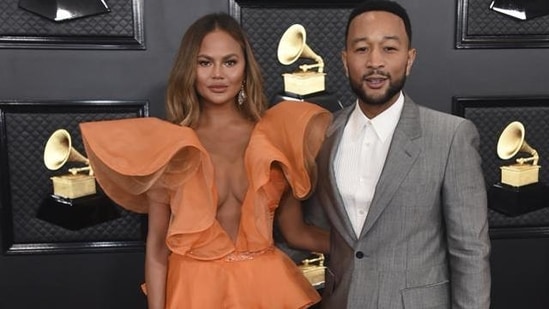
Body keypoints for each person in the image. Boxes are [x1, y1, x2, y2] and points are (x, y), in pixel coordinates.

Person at [79, 13, 331, 309]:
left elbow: (296, 233)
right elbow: (158, 250)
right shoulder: (171, 145)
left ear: (245, 69)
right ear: (190, 69)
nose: (218, 74)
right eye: (205, 62)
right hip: (194, 293)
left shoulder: (275, 137)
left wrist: (366, 247)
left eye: (230, 62)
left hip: (265, 289)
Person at [309, 1, 491, 308]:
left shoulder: (450, 136)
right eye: (362, 49)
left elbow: (470, 251)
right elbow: (316, 229)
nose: (375, 62)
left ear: (409, 59)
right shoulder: (323, 134)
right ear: (344, 60)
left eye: (389, 49)